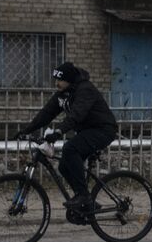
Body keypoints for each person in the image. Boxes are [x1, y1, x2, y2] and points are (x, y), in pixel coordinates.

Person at [15, 62, 119, 210]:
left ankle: (83, 196)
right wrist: (26, 130)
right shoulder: (63, 94)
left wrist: (58, 132)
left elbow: (77, 114)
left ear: (69, 79)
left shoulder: (85, 90)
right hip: (87, 131)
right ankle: (85, 200)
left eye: (59, 80)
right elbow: (47, 113)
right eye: (55, 80)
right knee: (64, 165)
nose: (56, 83)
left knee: (70, 148)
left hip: (102, 130)